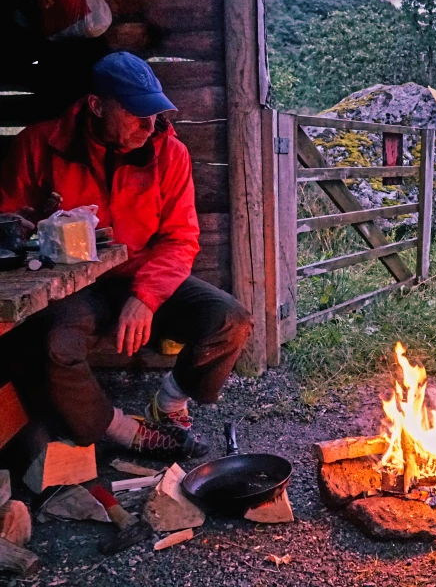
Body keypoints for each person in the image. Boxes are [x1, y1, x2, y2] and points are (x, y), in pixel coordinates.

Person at [0, 52, 253, 459]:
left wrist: (145, 297)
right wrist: (29, 224)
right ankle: (121, 430)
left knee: (231, 320)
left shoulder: (169, 153)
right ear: (97, 106)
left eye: (153, 113)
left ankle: (169, 403)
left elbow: (181, 238)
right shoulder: (38, 143)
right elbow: (7, 221)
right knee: (54, 345)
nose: (148, 125)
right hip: (77, 285)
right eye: (136, 114)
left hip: (144, 273)